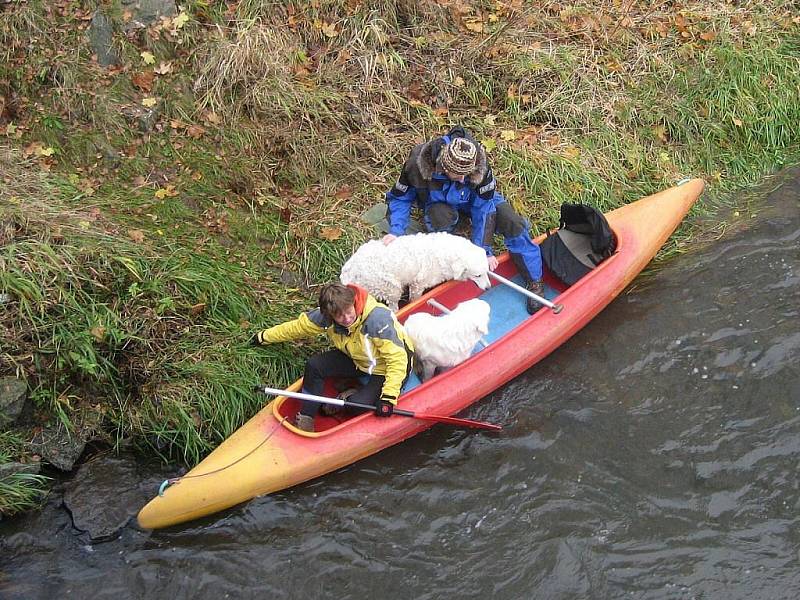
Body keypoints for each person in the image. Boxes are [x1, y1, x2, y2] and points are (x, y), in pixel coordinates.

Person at [383, 125, 545, 314]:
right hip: (440, 205)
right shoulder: (418, 164)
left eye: (466, 175)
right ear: (443, 167)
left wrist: (483, 250)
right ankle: (446, 271)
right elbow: (400, 197)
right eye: (458, 175)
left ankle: (534, 281)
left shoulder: (478, 166)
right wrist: (396, 231)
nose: (463, 179)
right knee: (439, 218)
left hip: (475, 201)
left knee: (513, 222)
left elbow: (484, 209)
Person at [251, 283, 414, 432]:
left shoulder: (377, 320)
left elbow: (397, 360)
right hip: (359, 359)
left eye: (349, 312)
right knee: (315, 366)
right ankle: (306, 417)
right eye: (339, 316)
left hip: (386, 366)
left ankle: (349, 395)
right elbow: (296, 328)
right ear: (330, 315)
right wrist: (263, 336)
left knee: (356, 406)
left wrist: (388, 397)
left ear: (353, 303)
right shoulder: (326, 318)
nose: (347, 318)